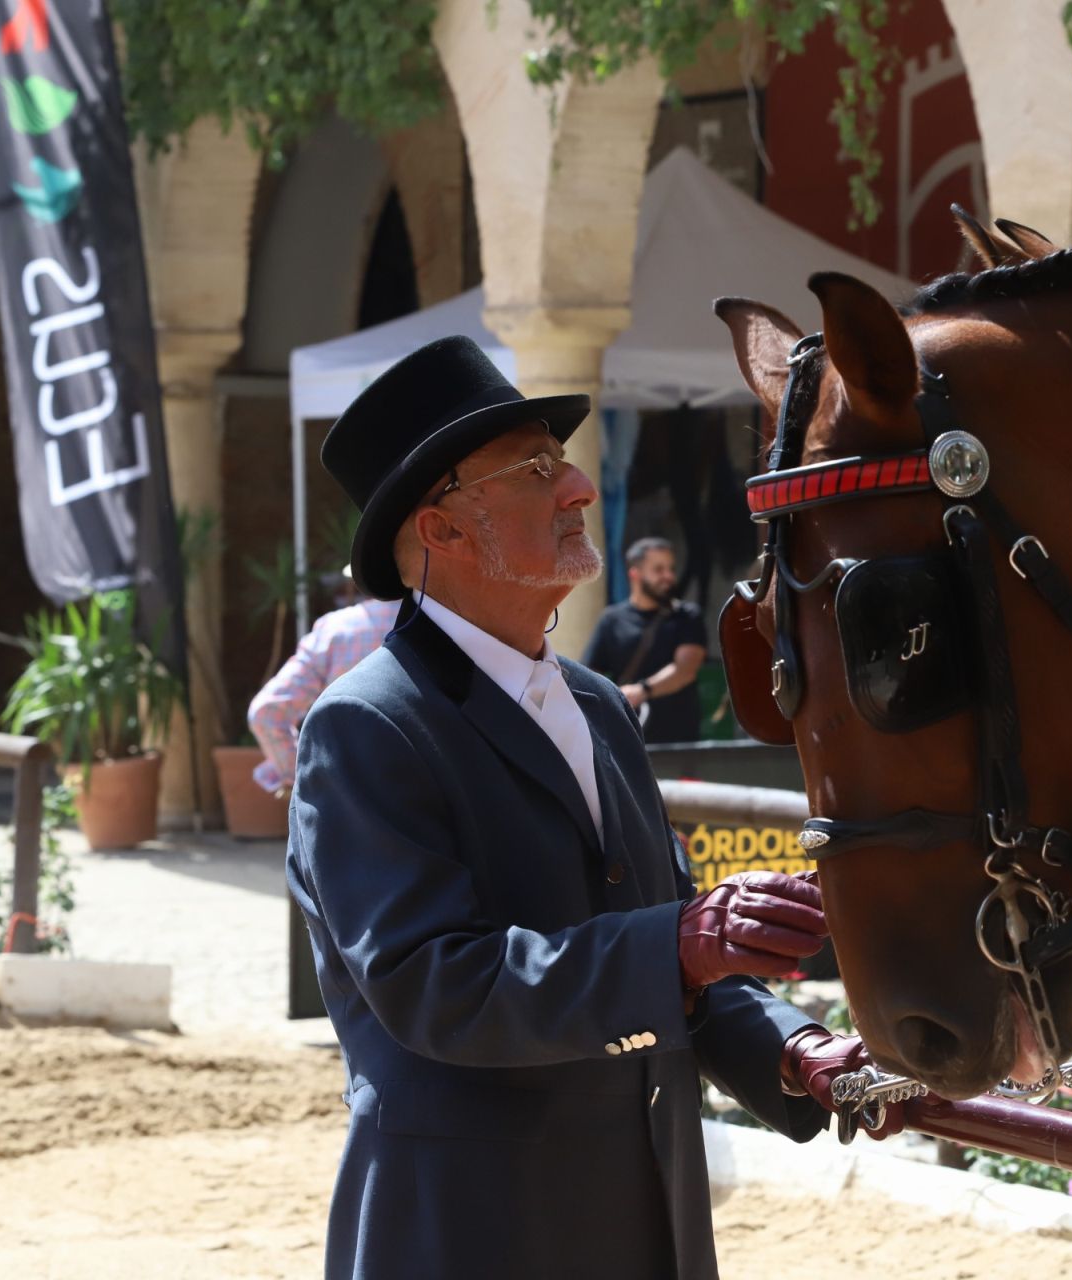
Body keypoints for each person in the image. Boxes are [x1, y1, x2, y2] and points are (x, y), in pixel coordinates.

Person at [286, 336, 900, 1280]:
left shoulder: (599, 703)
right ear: (442, 529)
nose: (577, 487)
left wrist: (794, 1047)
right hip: (472, 1231)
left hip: (645, 1216)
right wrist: (682, 942)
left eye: (561, 459)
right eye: (537, 468)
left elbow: (672, 951)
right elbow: (432, 984)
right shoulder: (366, 726)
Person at [245, 568, 399, 798]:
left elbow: (266, 712)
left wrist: (305, 778)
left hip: (345, 798)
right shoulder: (445, 631)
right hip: (433, 802)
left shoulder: (334, 630)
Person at [582, 537, 707, 743]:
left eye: (671, 568)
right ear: (635, 574)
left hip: (681, 743)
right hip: (627, 740)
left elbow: (685, 669)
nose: (668, 576)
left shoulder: (687, 615)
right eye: (658, 569)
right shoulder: (612, 620)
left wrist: (642, 690)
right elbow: (590, 674)